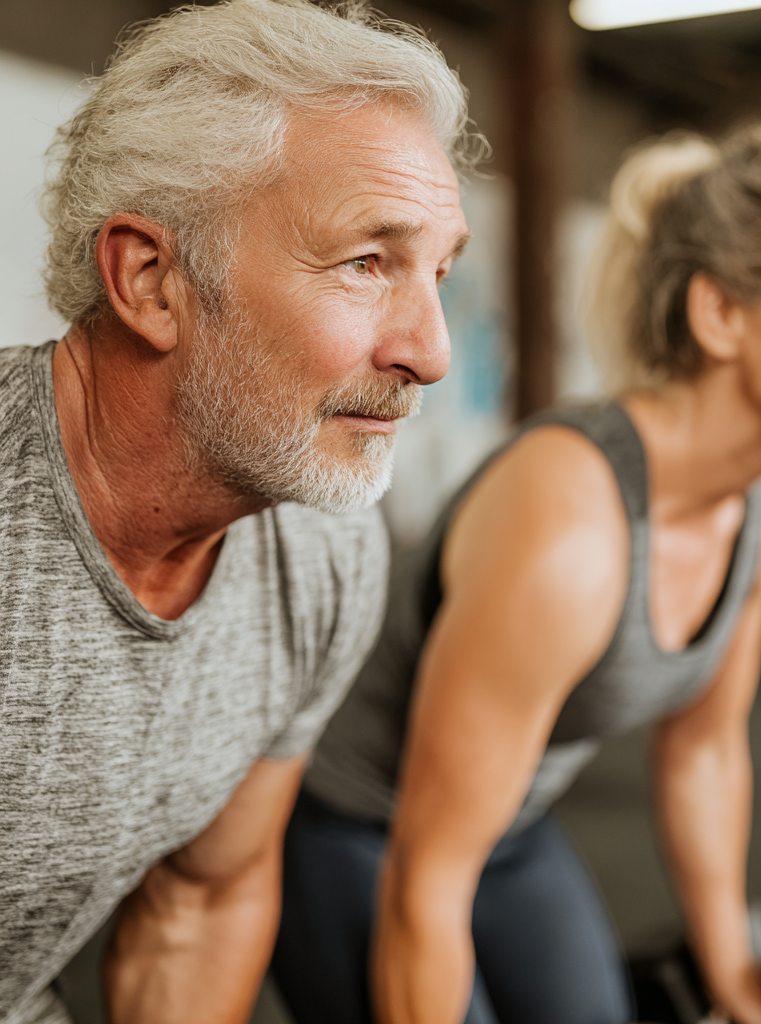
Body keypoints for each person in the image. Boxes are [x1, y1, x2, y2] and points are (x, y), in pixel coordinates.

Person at [271, 121, 761, 1024]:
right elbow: (426, 875)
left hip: (513, 828)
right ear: (722, 315)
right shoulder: (571, 524)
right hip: (356, 831)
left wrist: (741, 982)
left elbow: (703, 753)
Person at [0, 1, 477, 1021]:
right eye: (366, 262)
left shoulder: (327, 550)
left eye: (438, 271)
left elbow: (201, 901)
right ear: (151, 278)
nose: (430, 353)